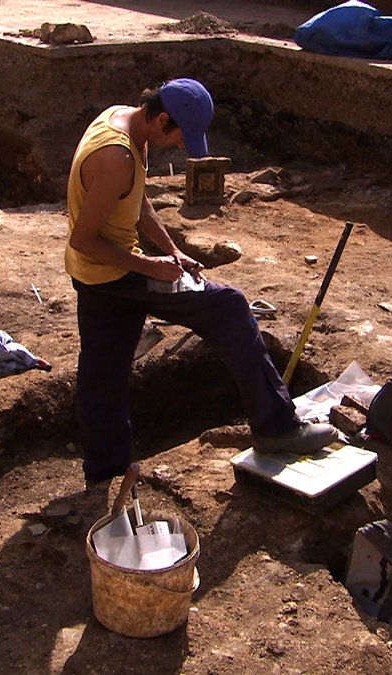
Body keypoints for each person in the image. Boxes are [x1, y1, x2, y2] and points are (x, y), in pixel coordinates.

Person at [65, 77, 336, 489]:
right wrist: (150, 266)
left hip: (99, 277)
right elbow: (84, 239)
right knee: (228, 306)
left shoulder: (122, 122)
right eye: (177, 137)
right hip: (114, 276)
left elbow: (134, 200)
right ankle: (275, 427)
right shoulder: (115, 156)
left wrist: (170, 249)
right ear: (160, 119)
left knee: (103, 378)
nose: (178, 147)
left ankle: (106, 476)